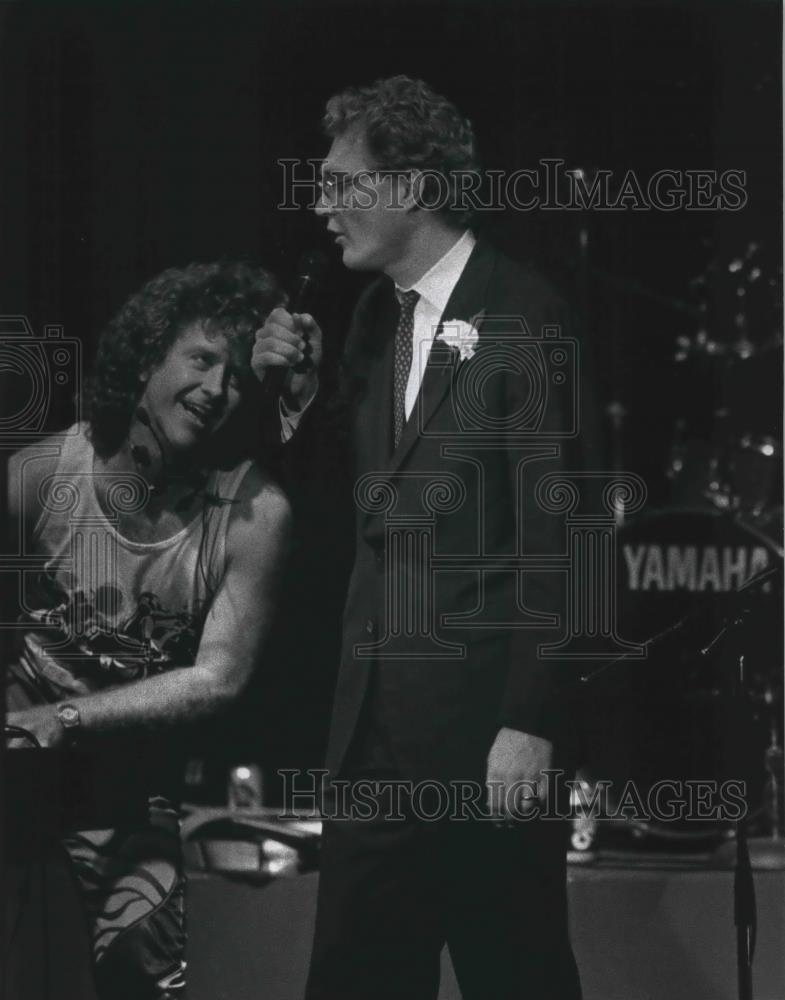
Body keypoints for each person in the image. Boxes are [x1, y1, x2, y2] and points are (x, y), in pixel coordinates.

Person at [253, 76, 582, 998]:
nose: (322, 205)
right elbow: (357, 514)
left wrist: (530, 719)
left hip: (483, 740)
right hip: (369, 742)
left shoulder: (522, 308)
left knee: (513, 976)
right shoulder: (369, 321)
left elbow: (562, 528)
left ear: (409, 186)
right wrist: (297, 398)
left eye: (341, 182)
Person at [5, 261, 291, 1000]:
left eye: (235, 378)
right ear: (144, 361)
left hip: (134, 795)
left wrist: (67, 716)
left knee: (142, 963)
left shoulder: (254, 514)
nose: (215, 390)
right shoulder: (41, 475)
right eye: (201, 360)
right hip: (20, 788)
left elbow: (218, 677)